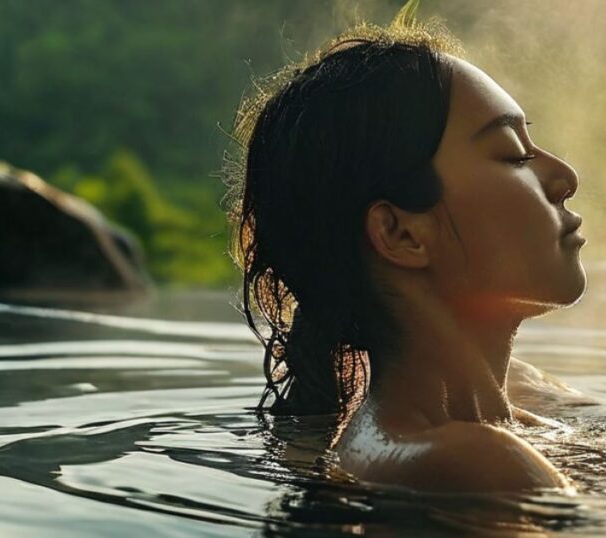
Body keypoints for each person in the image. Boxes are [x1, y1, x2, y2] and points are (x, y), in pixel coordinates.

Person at [228, 4, 586, 493]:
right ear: (401, 234)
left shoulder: (497, 427)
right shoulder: (476, 462)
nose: (565, 177)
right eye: (512, 154)